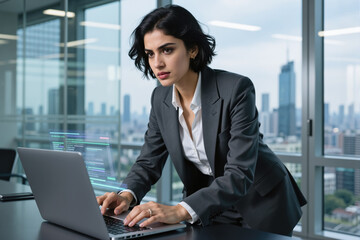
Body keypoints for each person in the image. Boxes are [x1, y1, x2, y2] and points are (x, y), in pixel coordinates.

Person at [97, 5, 307, 236]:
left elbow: (238, 174)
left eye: (167, 50)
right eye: (150, 53)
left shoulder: (235, 89)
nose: (157, 63)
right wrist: (126, 195)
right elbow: (148, 162)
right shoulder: (160, 98)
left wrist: (178, 210)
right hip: (209, 203)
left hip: (259, 199)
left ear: (193, 49)